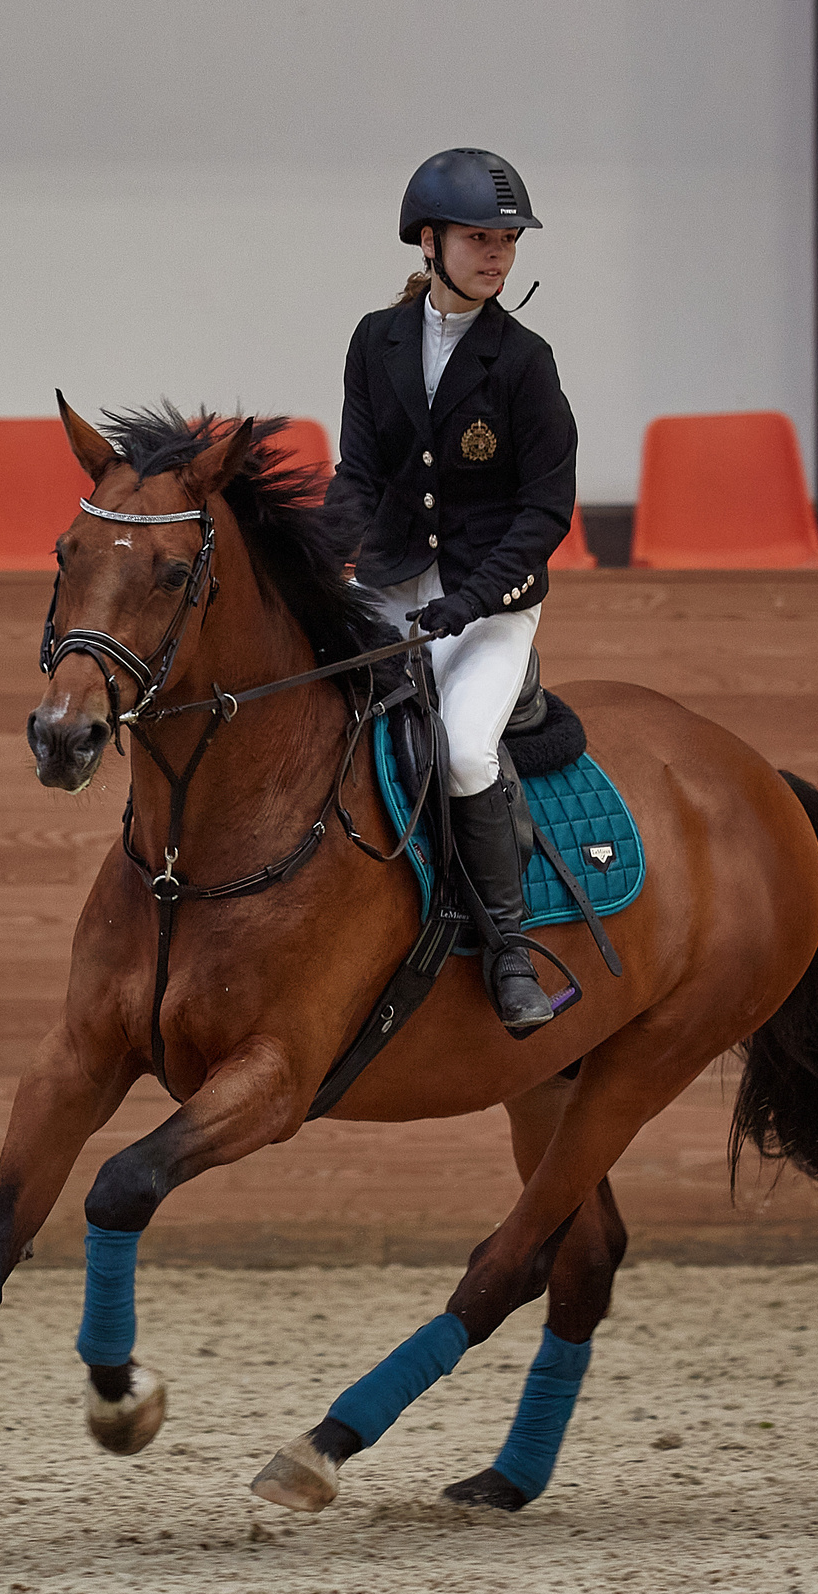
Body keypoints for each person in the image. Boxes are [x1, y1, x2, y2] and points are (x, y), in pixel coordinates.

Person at [322, 147, 576, 1034]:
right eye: (480, 238)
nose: (499, 256)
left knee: (465, 748)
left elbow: (547, 511)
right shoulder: (374, 340)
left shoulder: (524, 361)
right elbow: (357, 474)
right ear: (429, 242)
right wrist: (316, 562)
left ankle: (509, 949)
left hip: (492, 600)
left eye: (508, 240)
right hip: (393, 583)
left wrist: (472, 603)